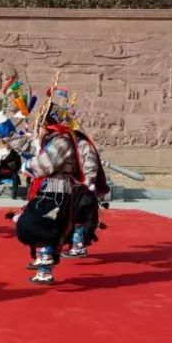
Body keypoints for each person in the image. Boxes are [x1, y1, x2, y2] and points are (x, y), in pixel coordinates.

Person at [14, 76, 87, 285]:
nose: (39, 127)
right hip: (46, 189)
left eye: (41, 123)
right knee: (34, 224)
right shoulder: (48, 141)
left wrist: (27, 167)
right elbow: (23, 145)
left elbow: (46, 164)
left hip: (57, 191)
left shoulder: (62, 141)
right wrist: (5, 119)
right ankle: (45, 271)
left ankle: (47, 262)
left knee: (38, 225)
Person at [65, 105, 110, 258]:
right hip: (72, 187)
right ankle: (74, 244)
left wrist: (86, 182)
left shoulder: (84, 146)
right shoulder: (70, 146)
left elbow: (91, 166)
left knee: (80, 218)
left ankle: (79, 246)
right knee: (71, 218)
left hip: (82, 188)